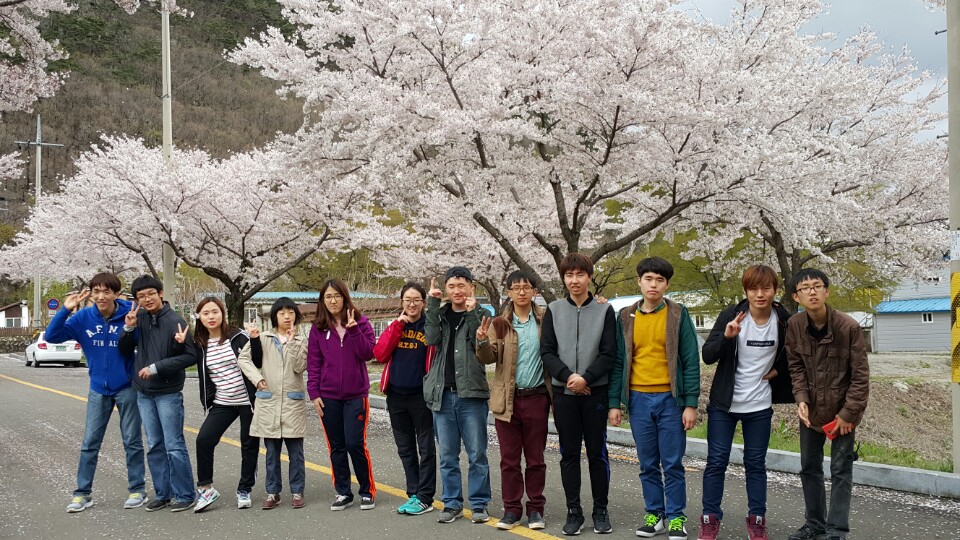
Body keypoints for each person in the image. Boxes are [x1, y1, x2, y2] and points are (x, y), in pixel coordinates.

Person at [698, 265, 795, 540]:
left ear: (775, 290)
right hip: (724, 405)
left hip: (759, 406)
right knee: (716, 462)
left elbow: (797, 352)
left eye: (766, 288)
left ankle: (757, 520)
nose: (760, 294)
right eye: (753, 288)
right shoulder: (732, 314)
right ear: (746, 291)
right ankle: (709, 519)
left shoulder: (784, 320)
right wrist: (727, 337)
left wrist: (778, 371)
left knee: (755, 464)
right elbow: (708, 355)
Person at [45, 273, 146, 513]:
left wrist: (132, 326)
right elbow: (51, 337)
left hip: (127, 387)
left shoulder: (131, 313)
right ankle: (82, 493)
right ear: (91, 294)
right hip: (98, 388)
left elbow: (144, 342)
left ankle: (137, 489)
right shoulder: (83, 318)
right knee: (90, 442)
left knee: (132, 441)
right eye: (96, 291)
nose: (101, 296)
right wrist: (65, 310)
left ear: (116, 294)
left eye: (106, 292)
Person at [615, 257, 700, 540]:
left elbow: (690, 360)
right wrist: (615, 403)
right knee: (647, 463)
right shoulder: (625, 316)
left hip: (670, 400)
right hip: (638, 399)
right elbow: (619, 361)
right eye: (648, 279)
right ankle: (655, 515)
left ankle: (676, 517)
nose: (654, 284)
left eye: (660, 280)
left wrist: (690, 404)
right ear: (639, 281)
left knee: (672, 462)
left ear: (667, 285)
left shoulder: (677, 314)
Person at [785, 269, 869, 540]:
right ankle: (814, 524)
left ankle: (837, 530)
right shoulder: (794, 325)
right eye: (805, 288)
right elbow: (795, 367)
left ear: (827, 291)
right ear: (796, 296)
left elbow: (860, 377)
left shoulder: (849, 327)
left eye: (817, 286)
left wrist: (848, 414)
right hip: (810, 411)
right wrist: (801, 399)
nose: (812, 291)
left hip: (842, 412)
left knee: (841, 470)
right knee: (809, 467)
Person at [541, 253, 620, 536]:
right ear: (563, 278)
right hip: (564, 394)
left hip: (595, 393)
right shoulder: (554, 310)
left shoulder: (604, 310)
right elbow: (547, 351)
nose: (574, 280)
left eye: (580, 274)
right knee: (569, 454)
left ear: (590, 277)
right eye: (569, 275)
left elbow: (609, 353)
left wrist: (586, 378)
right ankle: (574, 511)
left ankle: (601, 510)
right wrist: (568, 378)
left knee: (597, 453)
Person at [160, 297, 259, 512]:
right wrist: (178, 345)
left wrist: (255, 340)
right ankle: (206, 489)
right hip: (223, 402)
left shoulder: (239, 337)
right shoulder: (199, 343)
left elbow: (258, 361)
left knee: (249, 445)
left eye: (215, 312)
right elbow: (183, 360)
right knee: (204, 440)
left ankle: (244, 489)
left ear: (223, 314)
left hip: (248, 401)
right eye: (205, 313)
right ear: (199, 317)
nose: (211, 317)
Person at [477, 270, 551, 531]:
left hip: (537, 398)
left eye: (526, 287)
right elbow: (488, 358)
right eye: (516, 288)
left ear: (534, 292)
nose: (521, 292)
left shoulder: (545, 321)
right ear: (508, 292)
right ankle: (511, 510)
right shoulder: (500, 324)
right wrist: (482, 342)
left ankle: (536, 509)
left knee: (535, 459)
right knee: (509, 460)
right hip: (507, 400)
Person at [118, 275, 196, 512]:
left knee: (173, 445)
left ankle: (185, 494)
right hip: (143, 392)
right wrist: (128, 328)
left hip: (168, 392)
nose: (147, 299)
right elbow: (124, 350)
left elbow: (191, 356)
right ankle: (163, 494)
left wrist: (157, 368)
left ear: (160, 293)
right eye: (141, 296)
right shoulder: (139, 318)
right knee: (154, 444)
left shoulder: (175, 321)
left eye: (151, 294)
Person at [423, 266, 491, 524]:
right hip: (443, 394)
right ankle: (452, 504)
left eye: (462, 285)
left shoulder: (483, 314)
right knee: (448, 456)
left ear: (472, 287)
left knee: (477, 455)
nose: (457, 291)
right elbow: (430, 339)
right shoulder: (439, 314)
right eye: (451, 286)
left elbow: (478, 343)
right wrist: (432, 304)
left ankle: (479, 504)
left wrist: (472, 314)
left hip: (471, 395)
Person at [307, 279, 378, 511]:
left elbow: (368, 353)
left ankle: (367, 491)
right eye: (328, 297)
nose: (333, 301)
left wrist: (354, 329)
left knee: (355, 443)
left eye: (337, 296)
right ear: (322, 300)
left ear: (345, 297)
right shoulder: (318, 328)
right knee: (336, 446)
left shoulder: (361, 322)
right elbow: (314, 363)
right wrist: (314, 393)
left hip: (356, 395)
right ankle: (343, 492)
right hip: (328, 397)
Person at [237, 297, 308, 510]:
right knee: (271, 453)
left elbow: (300, 367)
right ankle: (273, 492)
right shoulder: (263, 338)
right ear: (274, 316)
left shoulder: (301, 340)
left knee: (296, 453)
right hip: (269, 402)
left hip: (292, 404)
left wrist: (292, 343)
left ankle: (297, 491)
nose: (287, 317)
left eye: (291, 313)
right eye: (282, 313)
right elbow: (243, 359)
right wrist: (257, 379)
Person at [373, 282, 437, 516]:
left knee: (426, 448)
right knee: (405, 448)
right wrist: (398, 325)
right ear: (401, 302)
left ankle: (425, 496)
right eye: (407, 300)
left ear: (424, 302)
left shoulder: (430, 326)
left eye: (416, 300)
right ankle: (414, 493)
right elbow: (380, 354)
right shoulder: (395, 325)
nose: (412, 304)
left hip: (421, 397)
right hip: (396, 396)